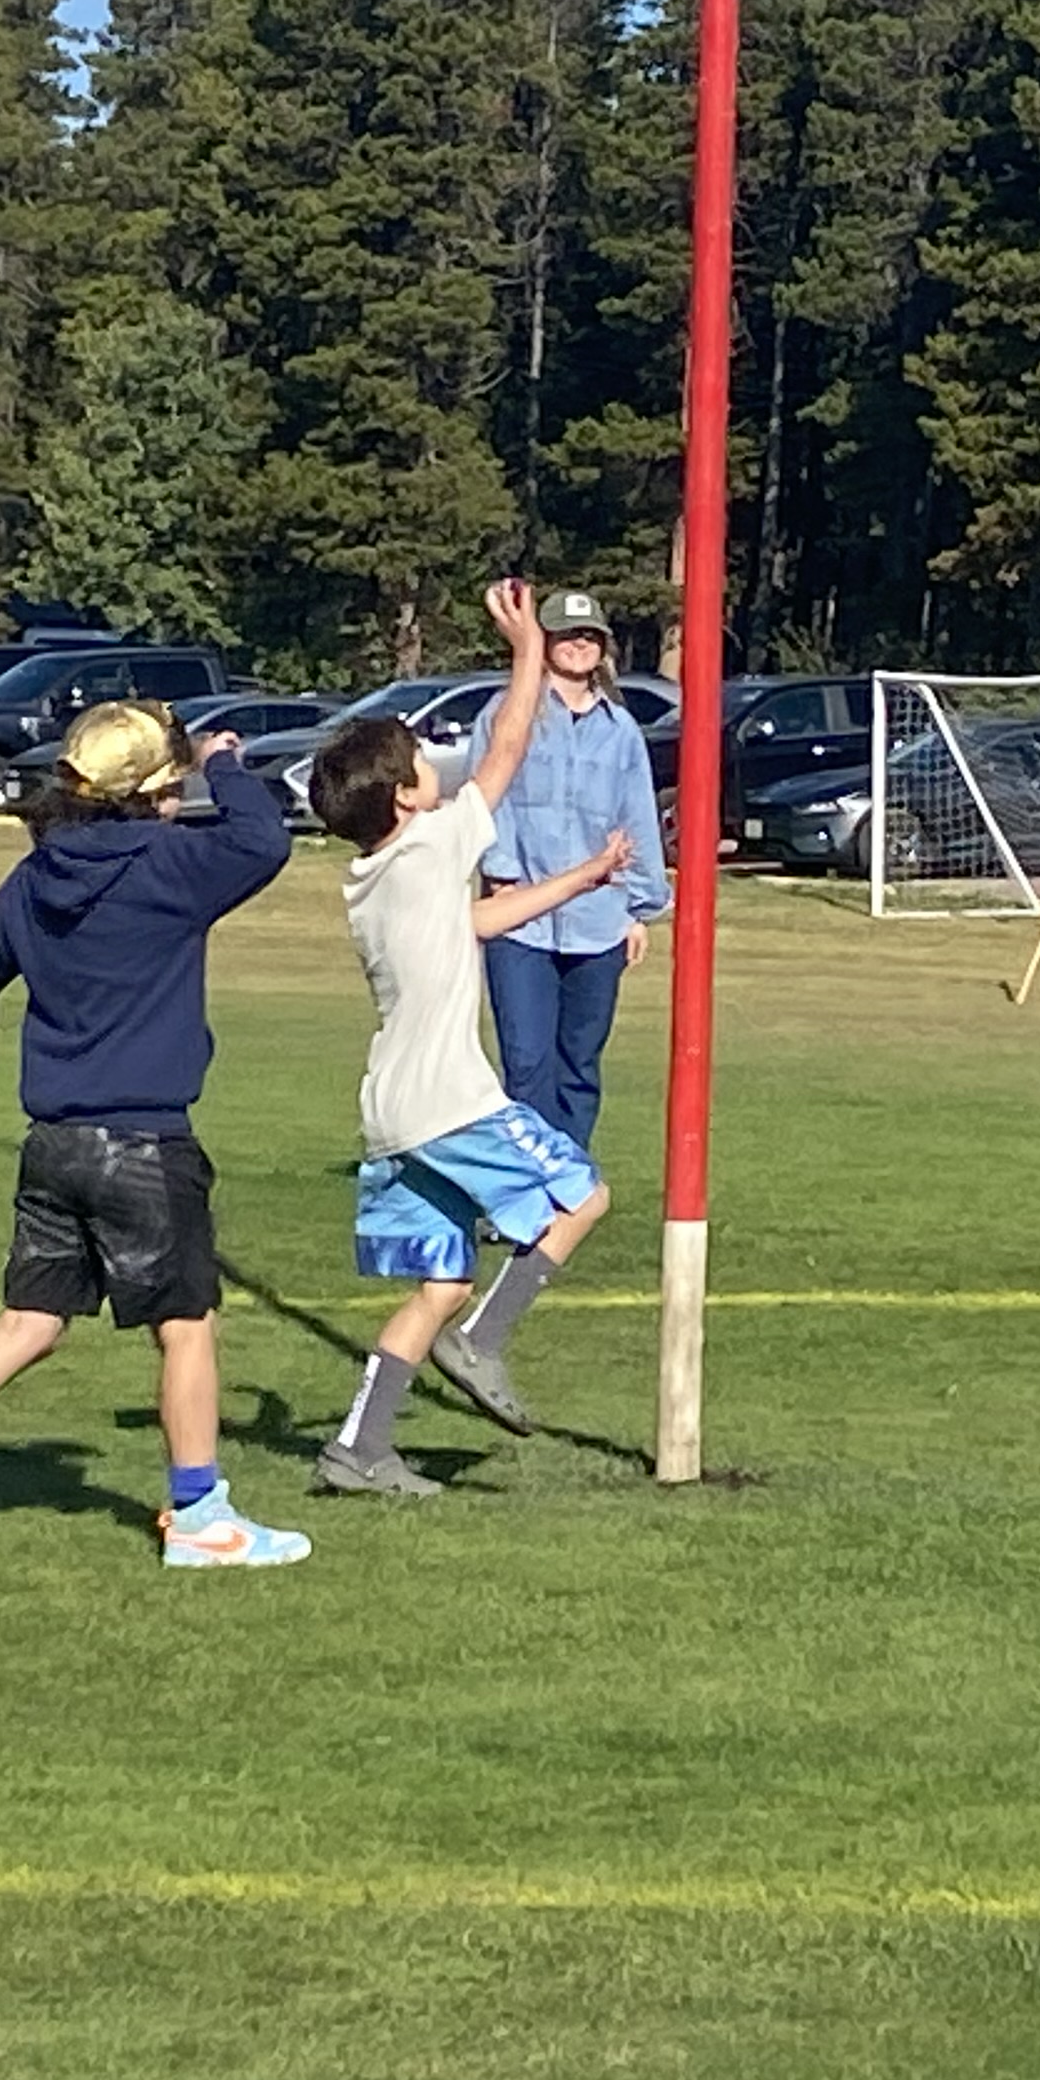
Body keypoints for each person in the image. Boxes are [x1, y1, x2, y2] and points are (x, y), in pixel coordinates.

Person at [0, 700, 308, 1571]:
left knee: (30, 1320)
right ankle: (201, 1514)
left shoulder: (40, 871)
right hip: (143, 1140)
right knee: (187, 1325)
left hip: (53, 1141)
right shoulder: (175, 865)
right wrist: (225, 762)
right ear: (154, 794)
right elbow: (265, 839)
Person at [307, 580, 636, 1494]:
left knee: (440, 1280)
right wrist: (525, 647)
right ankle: (486, 1343)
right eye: (418, 761)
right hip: (451, 1102)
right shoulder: (432, 843)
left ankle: (356, 1451)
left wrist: (585, 876)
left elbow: (480, 926)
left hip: (389, 1110)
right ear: (405, 800)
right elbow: (510, 745)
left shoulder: (376, 876)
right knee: (583, 1195)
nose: (432, 763)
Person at [466, 585, 668, 1152]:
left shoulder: (621, 730)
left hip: (598, 922)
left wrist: (639, 909)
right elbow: (488, 799)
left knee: (579, 1062)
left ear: (603, 647)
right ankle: (524, 1186)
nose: (578, 645)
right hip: (522, 920)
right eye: (565, 634)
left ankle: (567, 1180)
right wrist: (499, 870)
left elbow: (638, 818)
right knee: (526, 1062)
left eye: (589, 635)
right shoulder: (509, 714)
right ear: (544, 642)